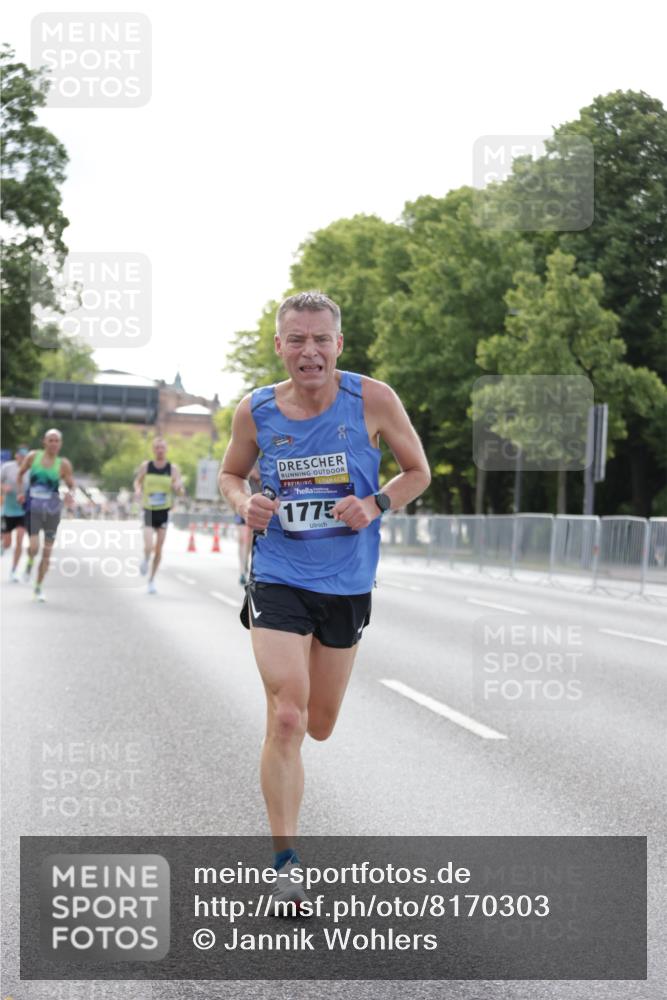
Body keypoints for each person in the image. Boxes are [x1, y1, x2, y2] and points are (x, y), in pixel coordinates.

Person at [219, 290, 430, 908]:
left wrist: (375, 503)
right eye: (296, 339)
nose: (308, 350)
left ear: (338, 345)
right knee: (287, 713)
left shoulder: (373, 399)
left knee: (319, 723)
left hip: (346, 582)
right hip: (280, 572)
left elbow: (417, 470)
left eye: (320, 339)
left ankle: (287, 729)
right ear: (279, 346)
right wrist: (243, 504)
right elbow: (231, 475)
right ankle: (286, 862)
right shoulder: (255, 412)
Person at [17, 429, 76, 601]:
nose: (53, 443)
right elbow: (20, 475)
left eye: (57, 440)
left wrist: (68, 496)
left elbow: (71, 485)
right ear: (44, 442)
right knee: (34, 547)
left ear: (60, 444)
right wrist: (20, 492)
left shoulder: (63, 464)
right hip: (33, 509)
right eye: (50, 440)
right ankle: (29, 564)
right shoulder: (33, 457)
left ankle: (38, 587)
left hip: (52, 512)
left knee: (47, 552)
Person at [133, 437, 185, 594]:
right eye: (157, 447)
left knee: (159, 548)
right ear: (153, 449)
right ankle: (145, 559)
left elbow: (181, 490)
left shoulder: (172, 469)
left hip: (163, 511)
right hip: (148, 509)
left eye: (162, 447)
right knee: (148, 545)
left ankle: (151, 580)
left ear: (166, 449)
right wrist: (137, 490)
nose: (160, 450)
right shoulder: (146, 466)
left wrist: (177, 487)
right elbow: (138, 482)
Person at [1, 444, 29, 582]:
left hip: (23, 510)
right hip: (8, 510)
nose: (23, 458)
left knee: (20, 538)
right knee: (7, 543)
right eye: (21, 455)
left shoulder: (30, 471)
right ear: (16, 455)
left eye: (25, 456)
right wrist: (3, 487)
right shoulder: (7, 467)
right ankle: (3, 547)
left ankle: (13, 570)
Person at [235, 462, 261, 586]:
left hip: (256, 504)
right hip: (243, 503)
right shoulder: (245, 457)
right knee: (241, 538)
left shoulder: (264, 460)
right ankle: (242, 570)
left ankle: (248, 566)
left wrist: (257, 476)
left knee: (249, 539)